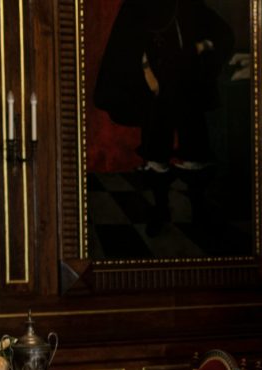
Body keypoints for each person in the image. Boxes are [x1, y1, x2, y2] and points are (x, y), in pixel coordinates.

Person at [94, 0, 235, 232]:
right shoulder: (137, 6)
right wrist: (148, 75)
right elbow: (128, 45)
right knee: (156, 149)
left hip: (188, 88)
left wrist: (201, 48)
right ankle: (160, 209)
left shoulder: (189, 4)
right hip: (156, 90)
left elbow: (221, 34)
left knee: (195, 149)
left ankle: (198, 211)